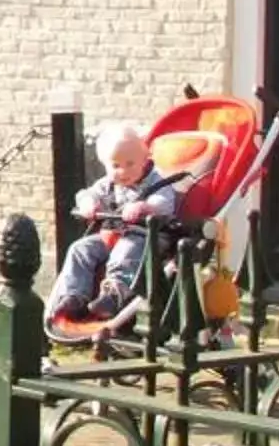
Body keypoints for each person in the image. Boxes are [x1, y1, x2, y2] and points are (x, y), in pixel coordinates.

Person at [50, 120, 182, 327]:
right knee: (80, 249)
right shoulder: (108, 184)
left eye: (130, 164)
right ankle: (74, 296)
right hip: (112, 233)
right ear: (106, 166)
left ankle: (114, 295)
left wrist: (144, 207)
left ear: (144, 159)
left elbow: (164, 202)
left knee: (126, 251)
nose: (122, 171)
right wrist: (88, 203)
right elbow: (87, 193)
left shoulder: (156, 180)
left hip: (148, 237)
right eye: (115, 166)